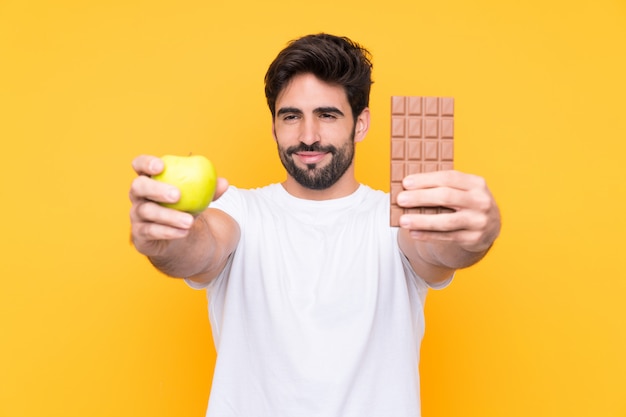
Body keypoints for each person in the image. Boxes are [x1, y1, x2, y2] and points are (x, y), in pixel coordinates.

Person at [129, 33, 501, 417]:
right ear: (274, 126)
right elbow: (200, 248)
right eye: (291, 116)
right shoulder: (239, 209)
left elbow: (437, 246)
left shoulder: (397, 218)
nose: (308, 136)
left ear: (360, 124)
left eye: (327, 114)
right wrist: (169, 236)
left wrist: (476, 236)